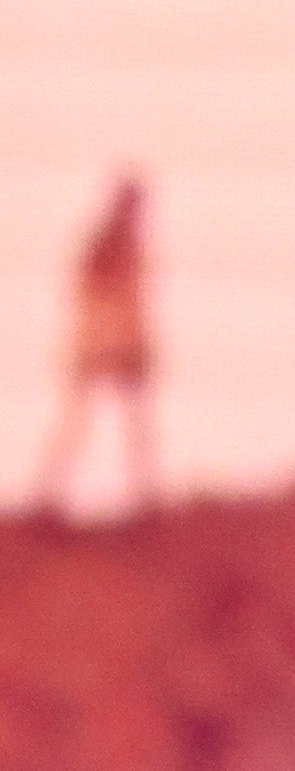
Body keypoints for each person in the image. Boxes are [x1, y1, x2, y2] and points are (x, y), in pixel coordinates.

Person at [30, 172, 158, 522]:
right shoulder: (105, 244)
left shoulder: (126, 244)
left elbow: (132, 300)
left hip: (120, 343)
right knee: (82, 421)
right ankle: (48, 496)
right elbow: (98, 296)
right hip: (102, 343)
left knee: (132, 423)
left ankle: (145, 498)